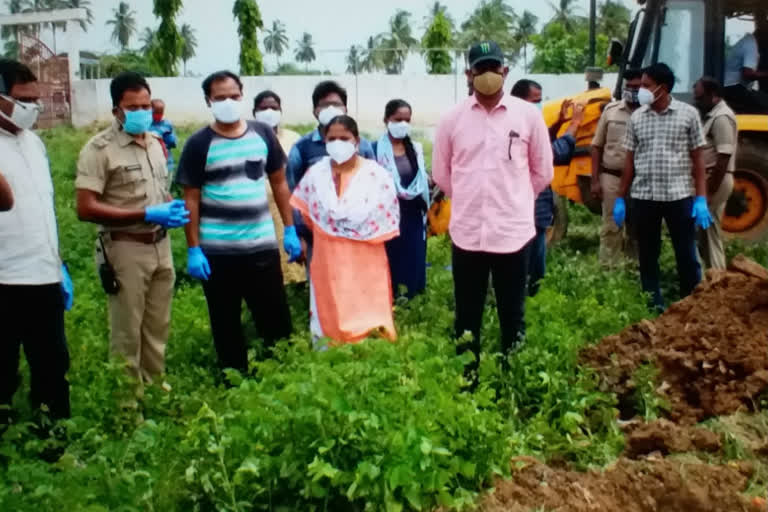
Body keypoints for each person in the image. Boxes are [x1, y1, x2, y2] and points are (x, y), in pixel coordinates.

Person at [432, 41, 553, 382]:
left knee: (512, 313)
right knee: (466, 316)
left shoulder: (528, 116)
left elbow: (542, 171)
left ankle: (511, 379)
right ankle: (466, 381)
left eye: (493, 68)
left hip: (512, 234)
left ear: (505, 71)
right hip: (468, 234)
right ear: (468, 74)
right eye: (480, 69)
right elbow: (442, 174)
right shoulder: (451, 120)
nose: (487, 76)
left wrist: (511, 198)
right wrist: (474, 197)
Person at [176, 72, 299, 375]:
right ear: (209, 101)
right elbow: (190, 198)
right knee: (225, 321)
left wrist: (291, 228)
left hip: (261, 247)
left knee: (275, 318)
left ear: (242, 96)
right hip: (218, 253)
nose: (228, 102)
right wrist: (193, 249)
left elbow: (280, 184)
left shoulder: (263, 134)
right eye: (220, 98)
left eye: (233, 96)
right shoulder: (199, 144)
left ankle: (281, 375)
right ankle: (234, 378)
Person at [76, 72, 190, 388]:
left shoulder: (155, 143)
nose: (141, 112)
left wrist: (169, 207)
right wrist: (145, 212)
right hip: (125, 247)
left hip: (160, 244)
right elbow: (85, 207)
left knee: (157, 326)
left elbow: (156, 189)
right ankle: (128, 406)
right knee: (127, 331)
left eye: (145, 105)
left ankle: (154, 389)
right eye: (133, 107)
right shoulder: (99, 149)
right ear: (116, 110)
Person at [0, 59, 72, 424]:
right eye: (21, 99)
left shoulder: (35, 144)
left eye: (35, 99)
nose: (32, 107)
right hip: (5, 279)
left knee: (53, 366)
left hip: (44, 276)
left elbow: (42, 208)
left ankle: (54, 441)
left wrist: (58, 264)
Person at [290, 115, 399, 345]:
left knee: (366, 304)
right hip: (327, 255)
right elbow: (307, 214)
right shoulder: (316, 175)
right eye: (332, 138)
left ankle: (371, 344)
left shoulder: (376, 175)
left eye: (344, 138)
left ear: (356, 141)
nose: (338, 143)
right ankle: (329, 345)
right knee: (330, 302)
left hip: (365, 257)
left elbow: (384, 213)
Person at [614, 63, 710, 311]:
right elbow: (629, 160)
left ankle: (691, 301)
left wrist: (701, 199)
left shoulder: (688, 115)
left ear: (662, 88)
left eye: (646, 85)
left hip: (678, 196)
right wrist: (620, 198)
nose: (641, 91)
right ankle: (653, 304)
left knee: (686, 253)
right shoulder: (637, 117)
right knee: (647, 254)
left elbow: (698, 159)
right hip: (645, 196)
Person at [287, 81, 375, 262]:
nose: (331, 109)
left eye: (336, 104)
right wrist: (299, 234)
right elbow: (293, 193)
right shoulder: (302, 148)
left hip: (357, 234)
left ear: (345, 109)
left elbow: (374, 187)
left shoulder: (362, 145)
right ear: (315, 111)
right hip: (316, 237)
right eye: (325, 105)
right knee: (321, 287)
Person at [511, 79, 585, 296]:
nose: (540, 105)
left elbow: (541, 143)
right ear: (520, 101)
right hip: (529, 208)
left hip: (533, 208)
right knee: (531, 263)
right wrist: (574, 125)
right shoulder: (516, 128)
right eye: (536, 101)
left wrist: (558, 122)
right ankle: (526, 299)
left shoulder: (523, 123)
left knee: (533, 258)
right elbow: (552, 153)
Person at [373, 99, 429, 298]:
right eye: (398, 119)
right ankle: (392, 296)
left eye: (407, 120)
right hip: (388, 213)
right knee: (393, 256)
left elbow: (421, 179)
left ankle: (414, 296)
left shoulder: (416, 149)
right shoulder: (374, 150)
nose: (403, 124)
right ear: (386, 120)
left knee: (414, 255)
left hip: (413, 212)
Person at [591, 69, 644, 266]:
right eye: (629, 87)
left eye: (637, 87)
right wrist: (595, 180)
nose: (632, 91)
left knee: (638, 228)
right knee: (611, 226)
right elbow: (596, 146)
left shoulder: (651, 112)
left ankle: (636, 270)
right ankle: (608, 271)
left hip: (641, 180)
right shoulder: (611, 111)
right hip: (612, 177)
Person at [253, 90, 306, 285]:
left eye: (274, 108)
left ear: (281, 111)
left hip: (288, 207)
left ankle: (296, 289)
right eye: (263, 108)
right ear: (254, 112)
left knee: (294, 261)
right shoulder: (247, 137)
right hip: (259, 211)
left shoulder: (294, 139)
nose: (268, 112)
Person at [693, 77, 737, 270]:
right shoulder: (712, 115)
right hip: (711, 179)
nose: (697, 102)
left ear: (712, 96)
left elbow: (723, 157)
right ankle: (713, 278)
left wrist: (709, 191)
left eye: (700, 98)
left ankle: (717, 279)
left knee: (709, 230)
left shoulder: (721, 118)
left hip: (716, 179)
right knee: (707, 231)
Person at [149, 98, 178, 174]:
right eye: (156, 113)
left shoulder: (167, 124)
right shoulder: (147, 124)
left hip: (166, 163)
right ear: (150, 111)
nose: (158, 115)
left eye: (160, 113)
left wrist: (170, 139)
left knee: (166, 183)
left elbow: (174, 142)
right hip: (151, 163)